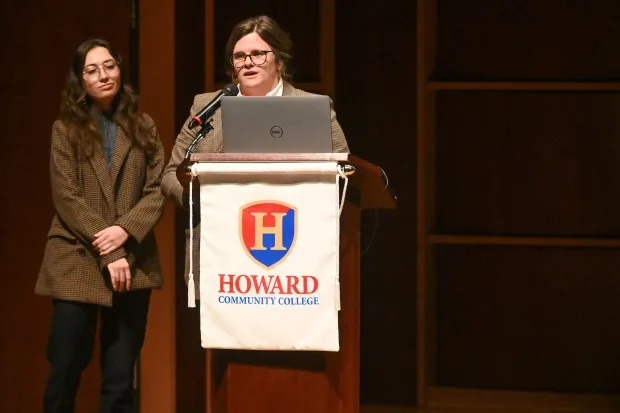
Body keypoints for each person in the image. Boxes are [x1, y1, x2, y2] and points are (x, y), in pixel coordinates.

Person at [160, 14, 350, 294]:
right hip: (219, 253)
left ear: (279, 59)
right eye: (239, 56)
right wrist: (206, 200)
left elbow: (344, 171)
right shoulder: (207, 107)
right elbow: (169, 175)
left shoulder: (311, 107)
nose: (247, 62)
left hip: (294, 255)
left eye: (258, 54)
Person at [35, 38, 165, 413]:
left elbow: (158, 188)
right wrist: (112, 250)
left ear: (120, 70)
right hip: (78, 257)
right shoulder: (65, 130)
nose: (103, 75)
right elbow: (67, 198)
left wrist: (124, 231)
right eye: (92, 70)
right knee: (65, 369)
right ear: (81, 80)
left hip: (134, 262)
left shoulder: (144, 127)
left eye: (109, 65)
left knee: (121, 378)